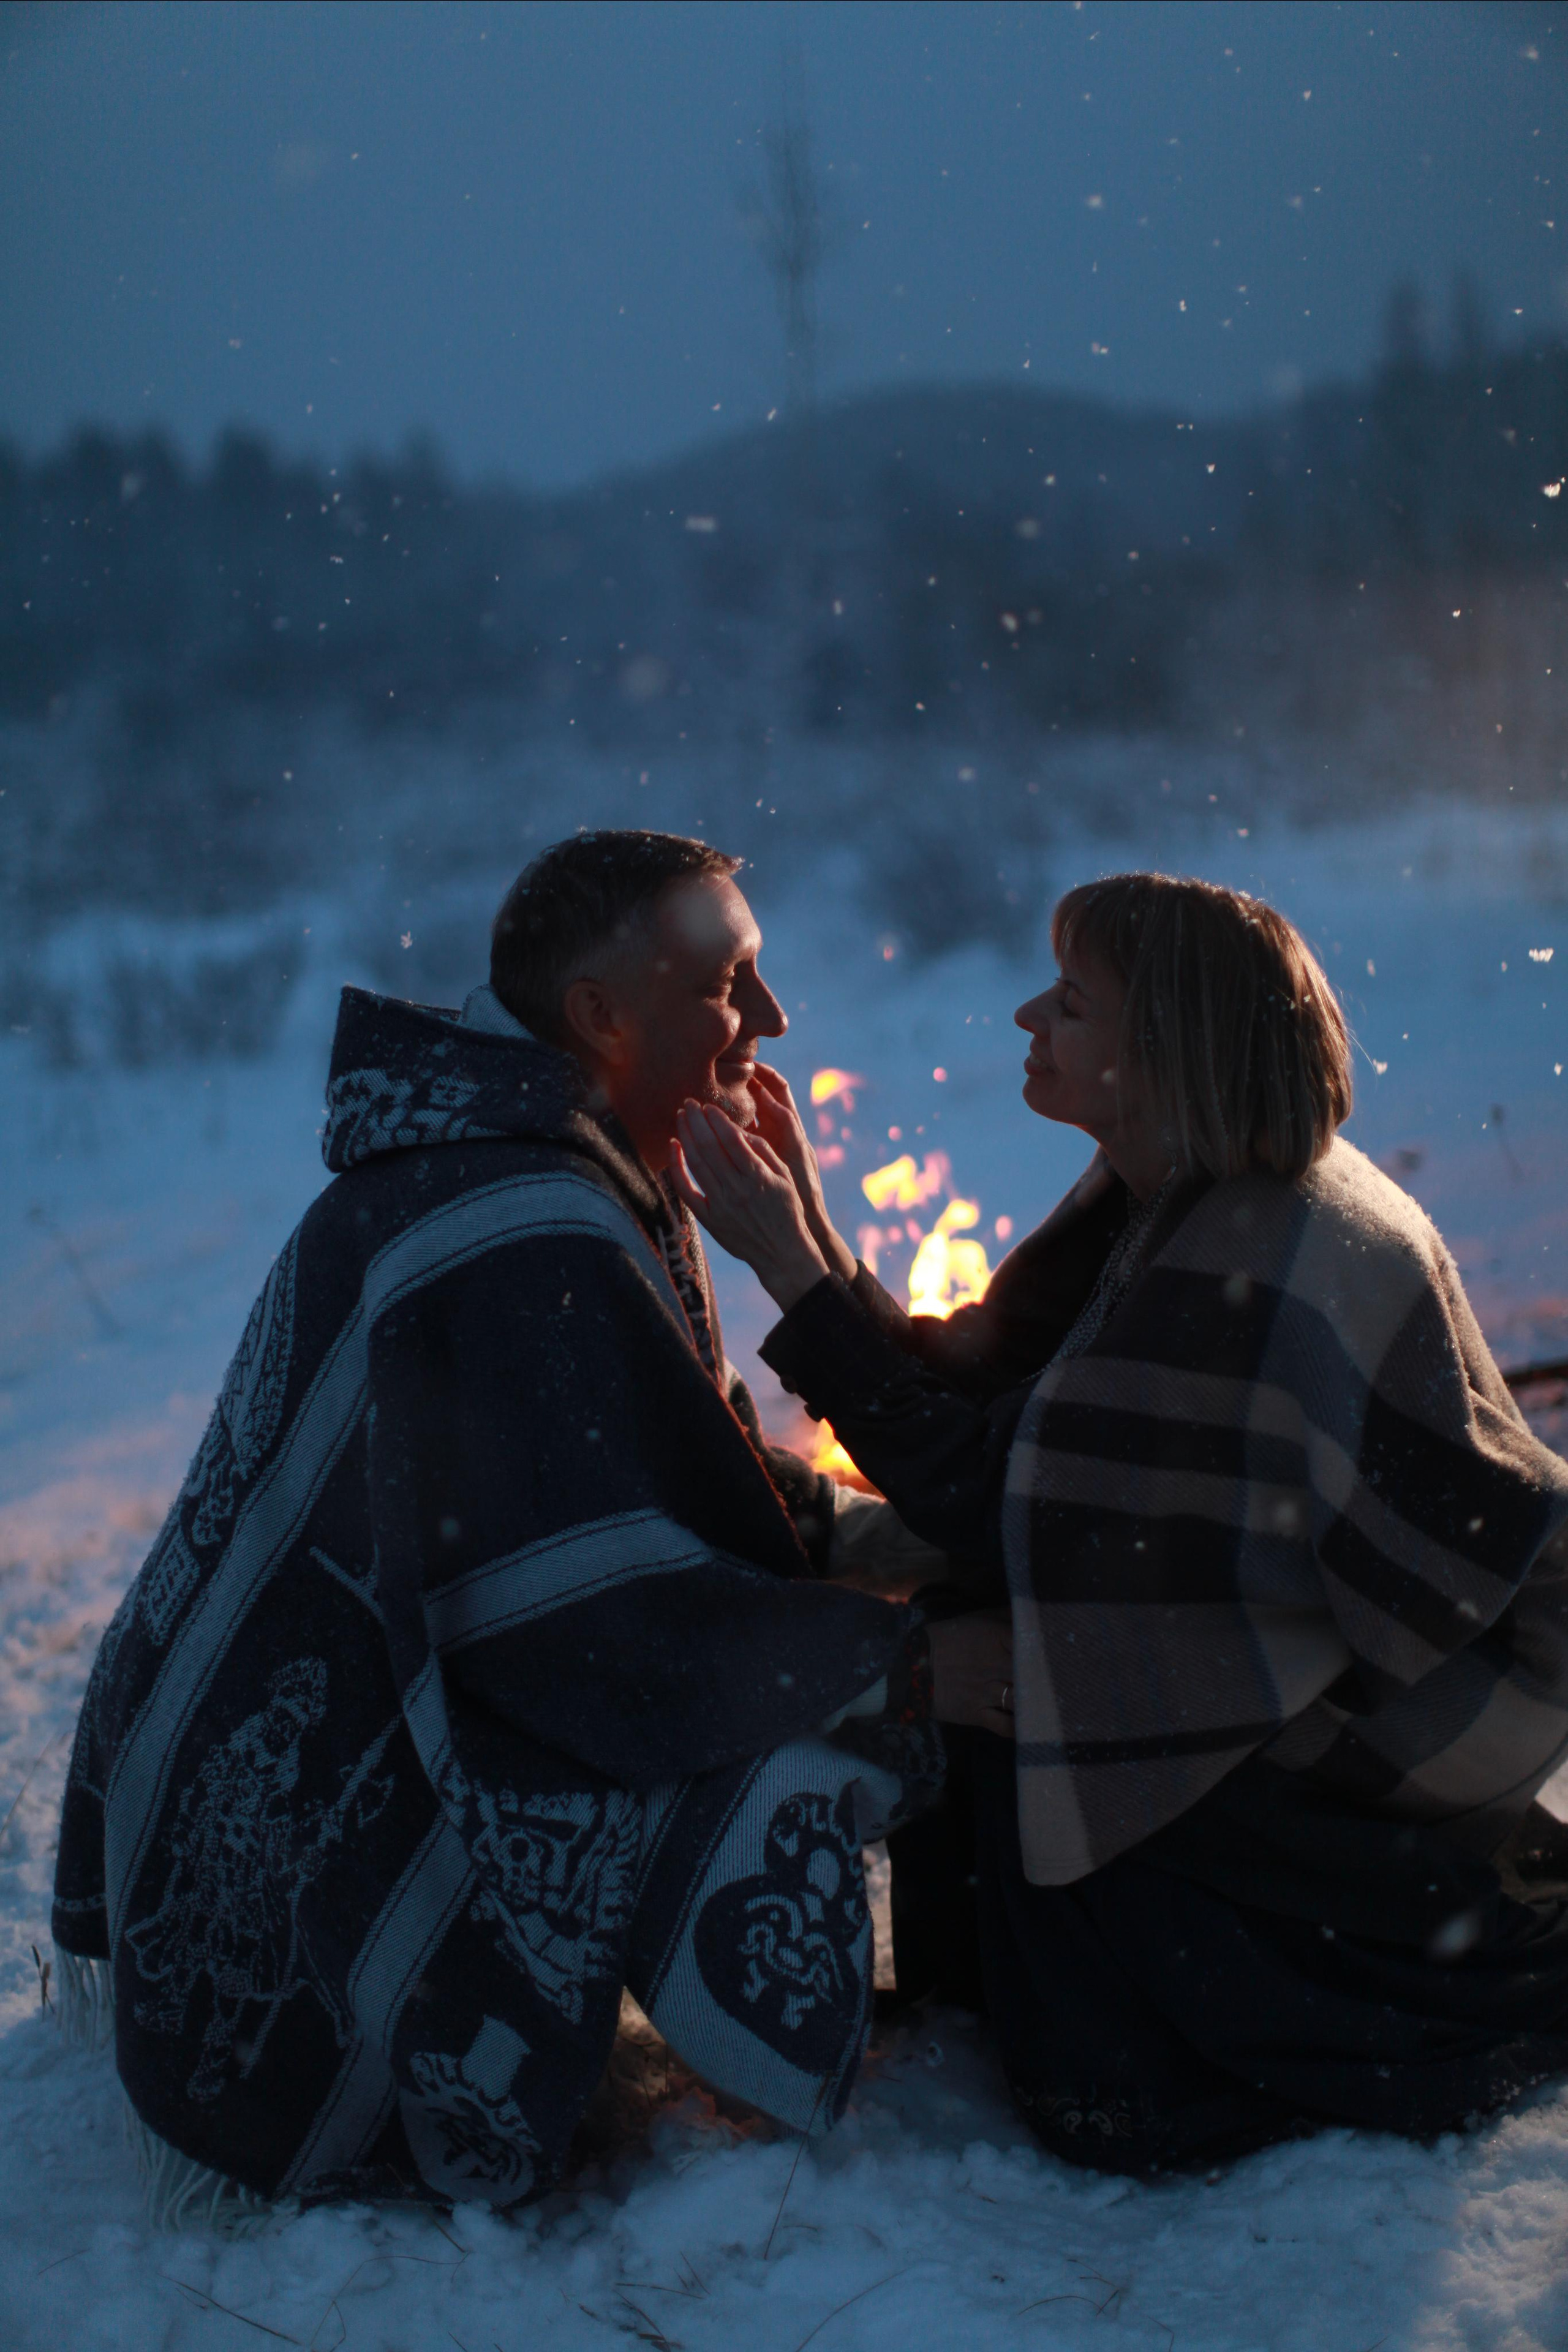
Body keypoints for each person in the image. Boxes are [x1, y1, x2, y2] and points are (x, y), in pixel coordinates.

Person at [51, 829, 998, 2218]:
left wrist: (874, 1534)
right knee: (808, 1714)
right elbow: (582, 1625)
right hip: (318, 1782)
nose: (774, 1021)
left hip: (255, 1734)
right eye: (732, 983)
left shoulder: (548, 1147)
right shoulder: (522, 1212)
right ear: (600, 1017)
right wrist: (891, 1664)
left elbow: (669, 1468)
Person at [676, 870, 1568, 2176]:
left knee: (1054, 1677)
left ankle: (1184, 2029)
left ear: (1166, 1053)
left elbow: (995, 1506)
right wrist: (805, 1220)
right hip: (1347, 1630)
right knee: (1003, 1647)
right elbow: (992, 1395)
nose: (1031, 1017)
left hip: (1411, 1698)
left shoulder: (1252, 1248)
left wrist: (790, 1273)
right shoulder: (1170, 1185)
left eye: (1074, 1003)